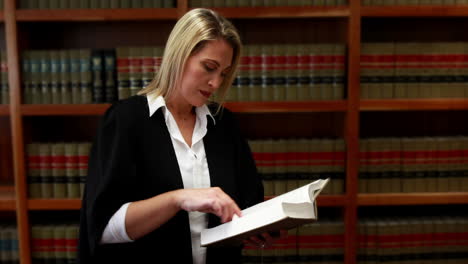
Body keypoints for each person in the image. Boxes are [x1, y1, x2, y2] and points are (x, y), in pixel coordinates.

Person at [78, 8, 283, 264]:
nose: (216, 83)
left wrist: (257, 228)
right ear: (179, 55)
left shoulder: (225, 125)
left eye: (224, 73)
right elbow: (104, 229)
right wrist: (179, 199)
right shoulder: (125, 121)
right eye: (209, 67)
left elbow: (244, 206)